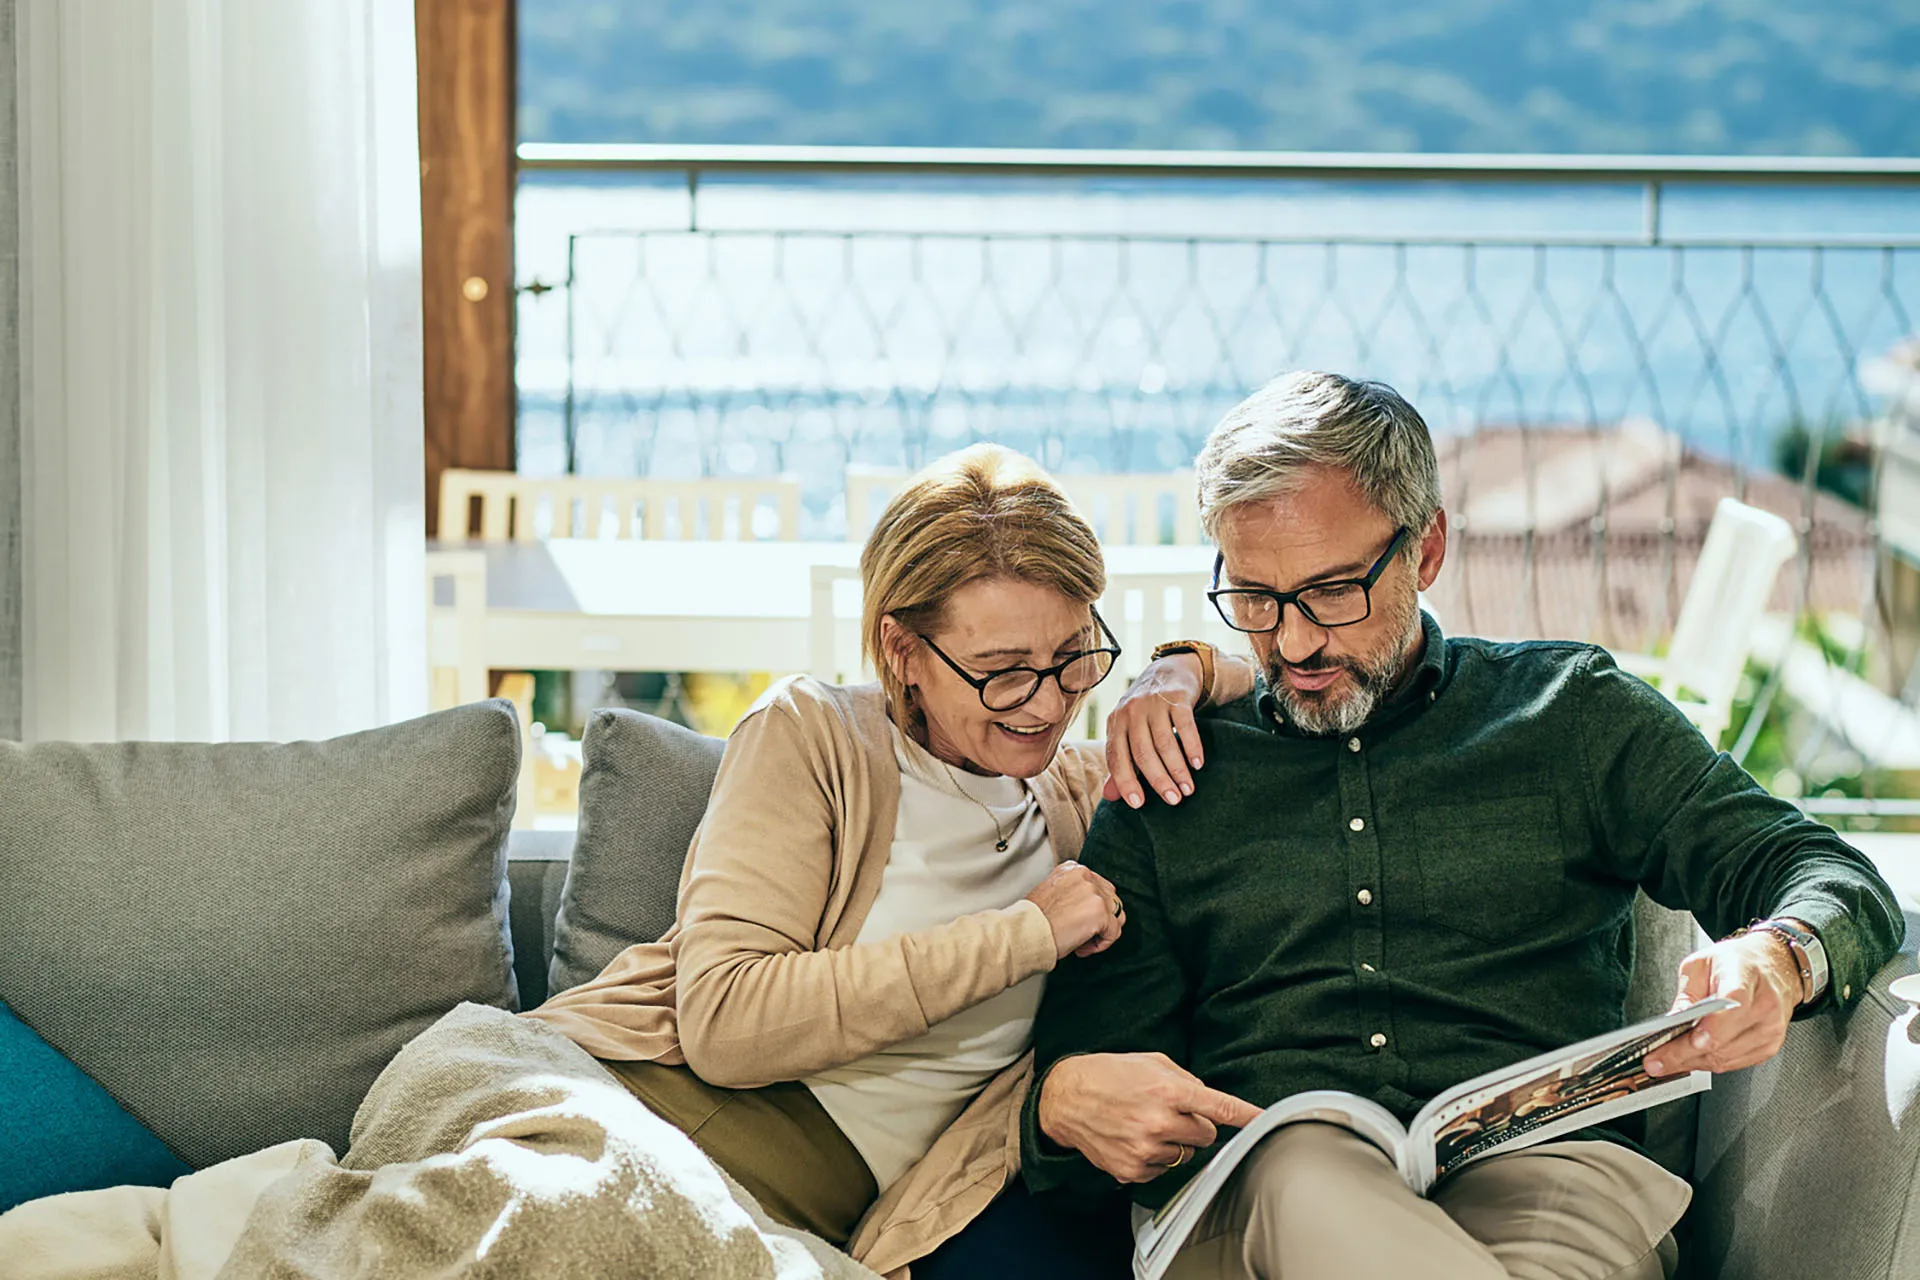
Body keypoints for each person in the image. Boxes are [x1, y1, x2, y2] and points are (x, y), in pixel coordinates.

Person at [1020, 372, 1905, 1279]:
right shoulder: (1172, 773)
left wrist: (1781, 955)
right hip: (1256, 1205)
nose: (1290, 644)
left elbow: (1819, 868)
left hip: (1550, 1175)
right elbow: (1087, 1088)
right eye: (1254, 598)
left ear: (1426, 548)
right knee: (1304, 1171)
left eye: (1332, 593)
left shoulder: (1570, 716)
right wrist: (1066, 1104)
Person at [525, 442, 1256, 1279]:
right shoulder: (812, 735)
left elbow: (1269, 683)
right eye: (1001, 673)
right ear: (902, 648)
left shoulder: (1072, 794)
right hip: (624, 1110)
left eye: (1072, 657)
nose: (1049, 703)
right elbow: (727, 1022)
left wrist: (1174, 670)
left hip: (782, 1215)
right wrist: (1024, 935)